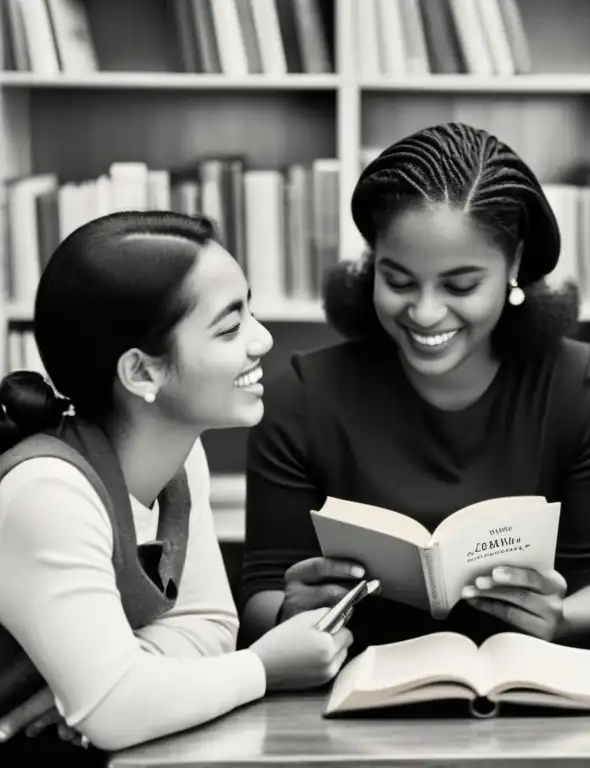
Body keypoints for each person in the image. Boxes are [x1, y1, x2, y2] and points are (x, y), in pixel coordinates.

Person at [239, 122, 590, 655]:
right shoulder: (301, 396)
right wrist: (289, 611)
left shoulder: (582, 389)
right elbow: (260, 596)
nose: (426, 313)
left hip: (532, 705)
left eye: (460, 285)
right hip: (346, 700)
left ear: (515, 264)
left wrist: (561, 616)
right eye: (399, 281)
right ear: (370, 265)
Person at [0, 212, 354, 762]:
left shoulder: (183, 458)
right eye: (230, 327)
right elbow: (118, 711)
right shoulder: (47, 493)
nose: (262, 339)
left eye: (250, 311)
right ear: (142, 373)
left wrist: (128, 681)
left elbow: (210, 625)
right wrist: (262, 667)